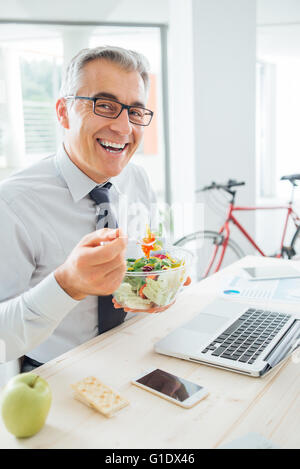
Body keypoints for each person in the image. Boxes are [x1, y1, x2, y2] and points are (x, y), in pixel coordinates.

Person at [0, 46, 160, 372]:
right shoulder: (12, 204)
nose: (123, 128)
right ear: (62, 112)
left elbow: (151, 260)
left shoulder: (138, 180)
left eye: (135, 111)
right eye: (105, 106)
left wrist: (157, 282)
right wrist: (66, 284)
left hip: (138, 357)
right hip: (56, 376)